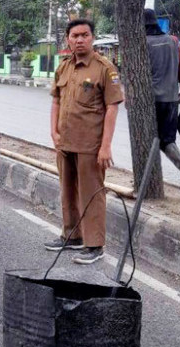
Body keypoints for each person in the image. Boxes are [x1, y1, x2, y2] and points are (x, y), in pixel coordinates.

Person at [45, 19, 124, 265]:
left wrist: (106, 146)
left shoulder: (104, 67)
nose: (80, 40)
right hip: (65, 141)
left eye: (85, 35)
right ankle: (72, 236)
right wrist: (53, 132)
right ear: (68, 39)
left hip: (90, 144)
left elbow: (112, 108)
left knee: (91, 193)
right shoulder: (64, 67)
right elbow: (56, 101)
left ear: (92, 38)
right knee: (67, 191)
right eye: (75, 35)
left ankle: (95, 245)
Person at [144, 8, 180, 190]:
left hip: (151, 101)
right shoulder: (173, 41)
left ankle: (148, 181)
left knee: (148, 139)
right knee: (167, 140)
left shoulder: (143, 43)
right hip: (172, 99)